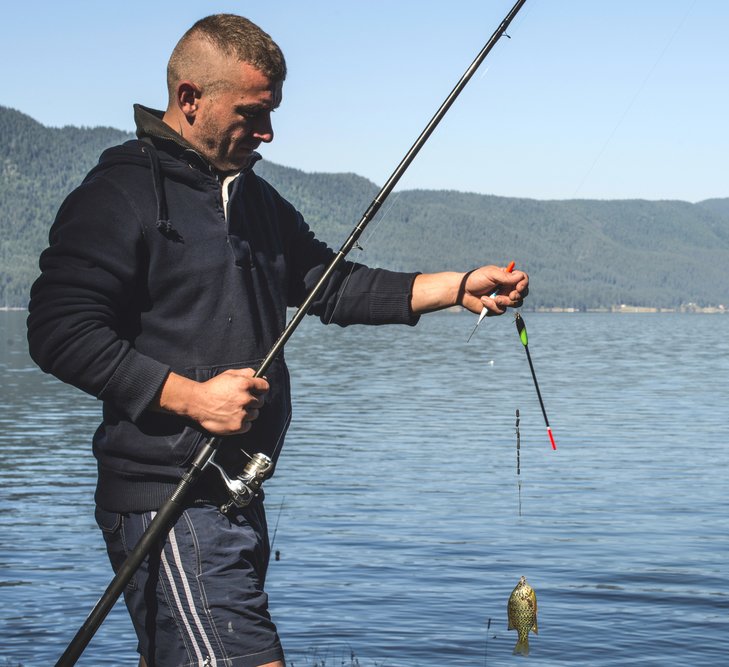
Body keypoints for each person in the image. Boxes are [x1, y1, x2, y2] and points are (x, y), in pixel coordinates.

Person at [27, 14, 528, 667]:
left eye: (273, 113)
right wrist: (190, 397)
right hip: (170, 499)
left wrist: (455, 286)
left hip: (235, 495)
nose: (268, 132)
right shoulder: (119, 193)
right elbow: (57, 327)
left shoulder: (255, 200)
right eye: (253, 113)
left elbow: (331, 284)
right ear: (189, 99)